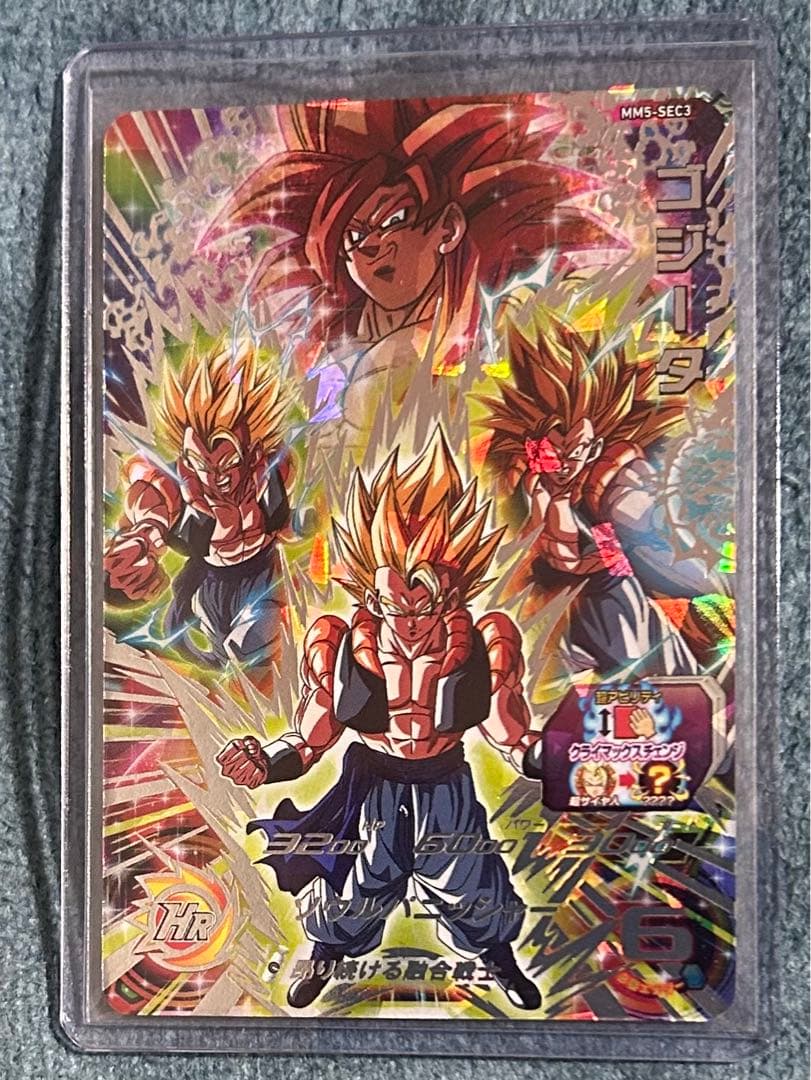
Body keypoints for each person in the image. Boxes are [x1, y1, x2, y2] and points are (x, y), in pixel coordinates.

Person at [218, 427, 543, 1010]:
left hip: (446, 779)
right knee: (357, 882)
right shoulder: (339, 642)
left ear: (454, 590)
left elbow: (509, 730)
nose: (411, 618)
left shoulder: (485, 640)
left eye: (427, 602)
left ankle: (499, 959)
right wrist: (263, 763)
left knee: (469, 881)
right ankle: (325, 955)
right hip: (372, 779)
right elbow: (311, 739)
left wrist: (547, 756)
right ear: (371, 590)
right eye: (397, 603)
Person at [104, 337, 290, 677]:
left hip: (263, 576)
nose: (210, 478)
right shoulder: (178, 489)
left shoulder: (276, 472)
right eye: (198, 463)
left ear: (254, 454)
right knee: (217, 657)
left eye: (226, 463)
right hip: (208, 585)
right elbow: (146, 477)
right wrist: (143, 535)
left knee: (251, 651)